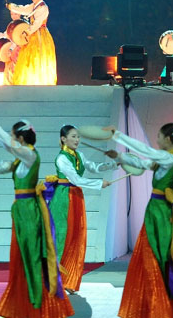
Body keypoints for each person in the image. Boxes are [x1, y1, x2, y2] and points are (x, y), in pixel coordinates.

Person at [0, 111, 73, 318]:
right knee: (21, 255)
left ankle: (38, 301)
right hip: (20, 211)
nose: (11, 140)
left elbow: (9, 145)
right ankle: (24, 298)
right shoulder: (20, 160)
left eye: (13, 136)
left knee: (32, 255)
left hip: (29, 210)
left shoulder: (30, 155)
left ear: (20, 138)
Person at [105, 123, 173, 318]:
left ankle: (159, 306)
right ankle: (155, 304)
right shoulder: (169, 158)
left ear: (168, 139)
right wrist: (120, 157)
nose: (157, 139)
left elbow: (145, 151)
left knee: (156, 256)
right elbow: (143, 164)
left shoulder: (169, 157)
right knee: (154, 254)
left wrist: (118, 135)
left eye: (159, 136)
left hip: (160, 212)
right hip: (157, 210)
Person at [50, 125, 116, 294]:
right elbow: (76, 179)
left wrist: (112, 164)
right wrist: (99, 184)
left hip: (77, 198)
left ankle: (70, 279)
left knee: (77, 237)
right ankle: (53, 280)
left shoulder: (80, 155)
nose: (77, 140)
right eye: (73, 136)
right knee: (62, 237)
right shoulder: (62, 159)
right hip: (64, 198)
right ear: (64, 139)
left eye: (78, 137)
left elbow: (93, 167)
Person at [7, 0, 57, 85]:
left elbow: (37, 23)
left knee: (38, 56)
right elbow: (24, 9)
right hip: (32, 34)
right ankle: (28, 81)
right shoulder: (34, 6)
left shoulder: (43, 7)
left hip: (40, 35)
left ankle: (40, 82)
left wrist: (27, 32)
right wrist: (11, 6)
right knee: (28, 56)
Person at [0, 11, 22, 85]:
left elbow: (17, 40)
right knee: (9, 71)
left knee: (17, 70)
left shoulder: (22, 25)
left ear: (20, 14)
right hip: (11, 52)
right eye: (12, 14)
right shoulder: (11, 25)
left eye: (15, 14)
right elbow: (5, 36)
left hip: (19, 51)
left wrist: (11, 49)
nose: (13, 16)